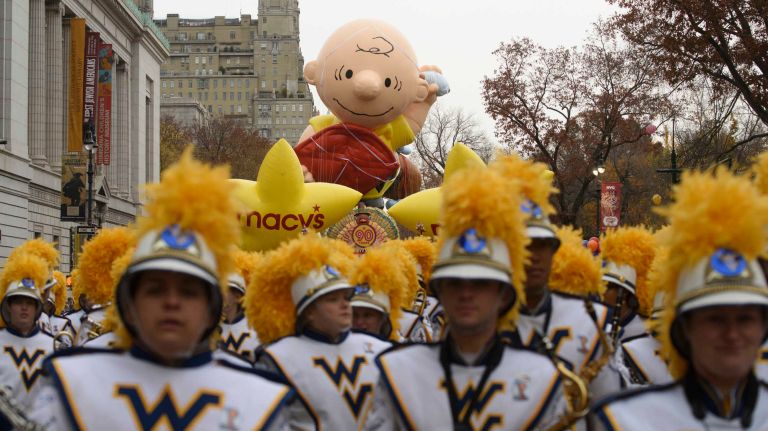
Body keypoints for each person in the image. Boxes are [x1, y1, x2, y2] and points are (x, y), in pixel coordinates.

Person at [29, 149, 296, 430]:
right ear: (129, 303)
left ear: (212, 306)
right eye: (155, 290)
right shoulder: (71, 384)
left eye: (189, 291)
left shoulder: (261, 400)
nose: (171, 302)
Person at [365, 163, 566, 430]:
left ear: (504, 295)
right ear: (440, 292)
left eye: (481, 283)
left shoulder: (543, 377)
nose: (467, 293)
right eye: (455, 283)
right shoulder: (397, 371)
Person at [591, 169, 768, 430]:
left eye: (745, 319)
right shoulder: (623, 421)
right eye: (715, 319)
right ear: (684, 328)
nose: (732, 334)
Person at [492, 154, 619, 402]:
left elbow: (610, 407)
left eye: (543, 245)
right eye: (526, 245)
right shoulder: (474, 316)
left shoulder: (590, 320)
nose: (536, 256)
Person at [248, 233, 391, 430]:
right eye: (332, 299)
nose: (345, 305)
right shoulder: (277, 358)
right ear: (308, 313)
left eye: (345, 297)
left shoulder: (381, 349)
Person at [0, 253, 54, 410]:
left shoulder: (53, 346)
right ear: (8, 306)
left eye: (29, 303)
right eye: (18, 302)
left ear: (37, 307)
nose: (24, 307)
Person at [350, 243, 415, 340]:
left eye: (367, 315)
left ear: (383, 319)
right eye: (354, 315)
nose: (359, 322)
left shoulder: (401, 350)